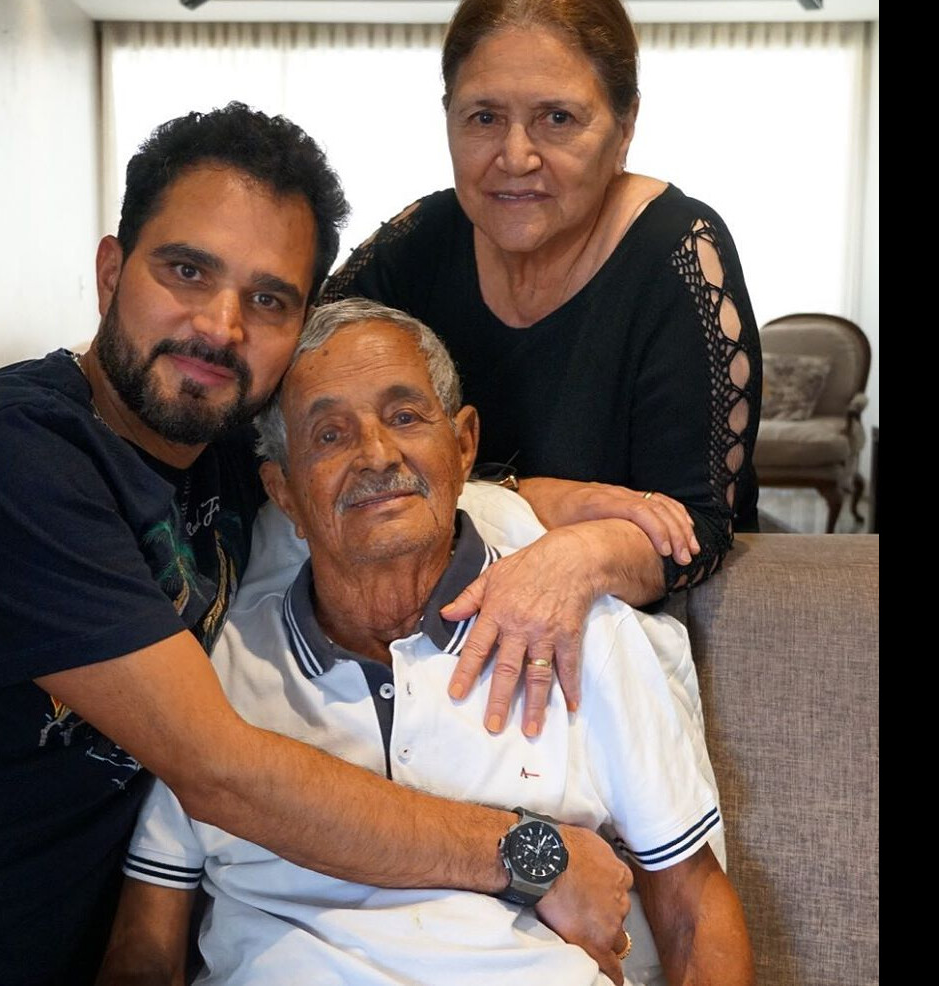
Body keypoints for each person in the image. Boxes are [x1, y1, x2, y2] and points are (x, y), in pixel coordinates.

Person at [0, 103, 632, 986]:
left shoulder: (220, 450)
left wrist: (566, 519)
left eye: (268, 298)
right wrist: (531, 852)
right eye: (187, 271)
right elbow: (221, 773)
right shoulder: (4, 457)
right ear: (111, 269)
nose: (221, 327)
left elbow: (374, 476)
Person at [96, 299, 754, 986]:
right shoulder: (224, 664)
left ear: (464, 446)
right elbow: (148, 938)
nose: (376, 455)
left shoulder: (583, 635)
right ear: (283, 491)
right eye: (329, 435)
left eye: (405, 417)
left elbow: (692, 909)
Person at [322, 0, 763, 731]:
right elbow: (296, 420)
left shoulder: (683, 258)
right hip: (425, 631)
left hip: (605, 653)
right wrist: (536, 502)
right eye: (483, 117)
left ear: (624, 129)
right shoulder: (418, 241)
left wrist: (580, 555)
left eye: (558, 119)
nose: (515, 157)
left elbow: (696, 532)